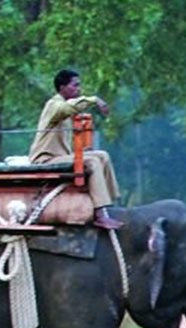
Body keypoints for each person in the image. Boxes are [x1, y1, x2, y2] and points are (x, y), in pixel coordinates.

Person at [30, 68, 123, 229]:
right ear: (62, 87)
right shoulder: (54, 105)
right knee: (92, 162)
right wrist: (94, 100)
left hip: (60, 156)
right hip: (46, 159)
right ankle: (100, 214)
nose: (78, 89)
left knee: (102, 155)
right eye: (75, 85)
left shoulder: (64, 110)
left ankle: (109, 203)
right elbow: (69, 108)